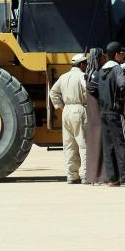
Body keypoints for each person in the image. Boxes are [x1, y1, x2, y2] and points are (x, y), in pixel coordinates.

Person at [98, 43, 125, 186]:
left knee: (108, 146)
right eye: (122, 53)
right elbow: (123, 84)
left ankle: (112, 178)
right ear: (116, 54)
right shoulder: (117, 69)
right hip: (115, 112)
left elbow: (94, 89)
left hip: (104, 113)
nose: (124, 55)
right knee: (122, 144)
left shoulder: (101, 71)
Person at [49, 52, 88, 183]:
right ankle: (85, 175)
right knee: (83, 144)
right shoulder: (83, 76)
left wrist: (60, 106)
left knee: (69, 144)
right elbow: (88, 90)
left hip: (66, 111)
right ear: (82, 64)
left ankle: (72, 175)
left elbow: (53, 92)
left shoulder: (63, 77)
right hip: (79, 109)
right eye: (86, 64)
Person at [84, 47, 106, 184]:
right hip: (98, 115)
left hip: (91, 116)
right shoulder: (98, 75)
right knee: (101, 144)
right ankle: (102, 176)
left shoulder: (88, 74)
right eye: (102, 56)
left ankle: (92, 177)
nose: (105, 58)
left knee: (92, 146)